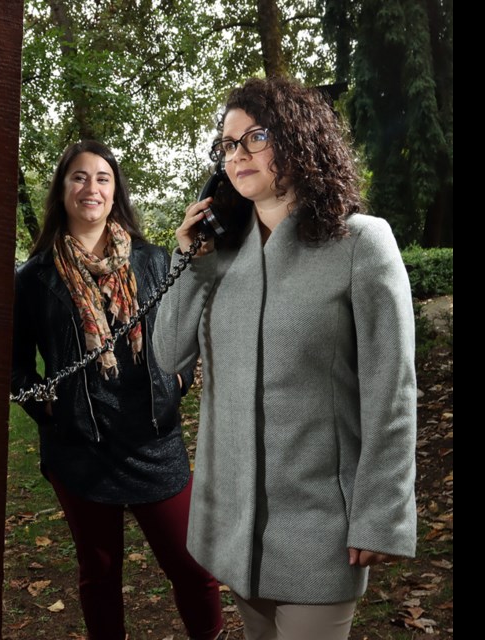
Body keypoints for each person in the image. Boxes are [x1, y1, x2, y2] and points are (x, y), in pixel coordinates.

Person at [151, 76, 418, 640]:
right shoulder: (219, 257)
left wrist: (381, 512)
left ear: (298, 140)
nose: (237, 153)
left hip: (322, 527)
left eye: (255, 137)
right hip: (233, 526)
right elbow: (168, 354)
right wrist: (189, 258)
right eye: (227, 144)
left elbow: (391, 389)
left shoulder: (362, 244)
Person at [11, 140, 226, 640]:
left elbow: (189, 330)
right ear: (62, 191)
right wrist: (48, 410)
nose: (92, 187)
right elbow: (16, 368)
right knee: (100, 577)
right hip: (79, 454)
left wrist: (179, 380)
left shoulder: (152, 261)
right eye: (79, 177)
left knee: (195, 569)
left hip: (153, 443)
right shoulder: (34, 277)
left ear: (115, 192)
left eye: (102, 178)